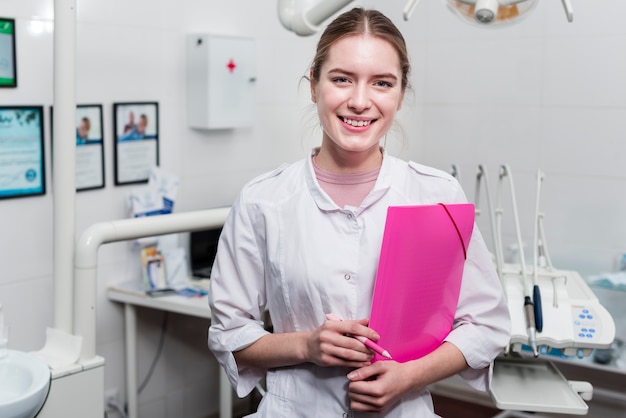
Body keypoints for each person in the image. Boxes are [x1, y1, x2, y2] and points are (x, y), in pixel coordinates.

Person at [208, 8, 511, 417]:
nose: (359, 101)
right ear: (314, 85)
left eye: (382, 83)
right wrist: (306, 345)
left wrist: (411, 376)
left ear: (401, 94)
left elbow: (486, 324)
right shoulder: (264, 200)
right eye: (341, 79)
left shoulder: (437, 194)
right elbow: (229, 332)